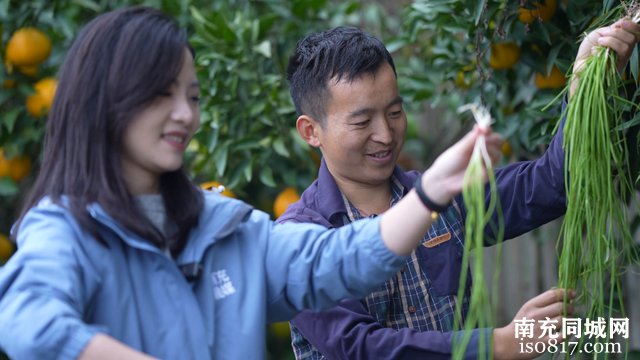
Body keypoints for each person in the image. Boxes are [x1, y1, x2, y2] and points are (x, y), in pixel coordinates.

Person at [0, 6, 516, 360]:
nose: (185, 114)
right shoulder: (66, 231)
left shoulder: (221, 228)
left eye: (193, 95)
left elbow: (337, 260)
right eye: (162, 94)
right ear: (103, 102)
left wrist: (430, 194)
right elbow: (27, 321)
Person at [277, 22, 640, 360]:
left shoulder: (440, 195)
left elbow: (550, 184)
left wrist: (584, 83)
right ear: (311, 131)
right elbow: (360, 347)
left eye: (395, 112)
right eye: (361, 121)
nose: (385, 135)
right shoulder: (299, 241)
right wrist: (499, 343)